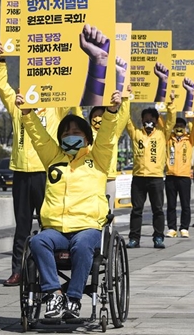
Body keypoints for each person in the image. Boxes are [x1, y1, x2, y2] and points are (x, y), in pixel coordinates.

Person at [15, 90, 121, 319]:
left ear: (87, 137)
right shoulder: (53, 157)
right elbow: (39, 136)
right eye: (66, 133)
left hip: (87, 227)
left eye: (76, 133)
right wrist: (26, 113)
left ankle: (73, 298)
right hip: (56, 229)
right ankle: (53, 293)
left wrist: (112, 112)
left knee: (82, 246)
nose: (70, 137)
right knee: (38, 241)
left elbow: (107, 137)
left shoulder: (99, 159)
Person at [0, 41, 73, 287]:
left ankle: (46, 270)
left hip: (47, 173)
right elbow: (2, 86)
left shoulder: (54, 108)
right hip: (21, 173)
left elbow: (72, 95)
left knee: (48, 223)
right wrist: (1, 61)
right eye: (24, 86)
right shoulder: (18, 108)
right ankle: (18, 271)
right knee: (22, 227)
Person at [125, 94, 176, 248]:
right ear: (142, 120)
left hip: (156, 178)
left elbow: (171, 121)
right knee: (136, 210)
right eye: (145, 119)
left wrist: (170, 103)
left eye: (151, 119)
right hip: (139, 177)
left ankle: (158, 237)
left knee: (158, 210)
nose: (148, 122)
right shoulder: (136, 133)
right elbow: (126, 120)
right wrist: (126, 99)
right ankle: (134, 238)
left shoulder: (162, 134)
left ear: (156, 120)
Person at [84, 91, 130, 213]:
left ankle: (107, 231)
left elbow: (123, 116)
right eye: (95, 116)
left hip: (109, 177)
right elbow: (78, 114)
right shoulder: (85, 134)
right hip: (90, 176)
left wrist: (126, 97)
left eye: (101, 115)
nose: (98, 118)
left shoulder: (113, 133)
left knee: (108, 211)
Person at [165, 115, 194, 238]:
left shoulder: (190, 140)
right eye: (177, 126)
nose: (179, 128)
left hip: (185, 176)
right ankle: (172, 228)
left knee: (185, 204)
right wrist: (159, 116)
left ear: (185, 128)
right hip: (170, 176)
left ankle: (184, 227)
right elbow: (164, 126)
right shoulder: (168, 139)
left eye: (181, 126)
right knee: (171, 204)